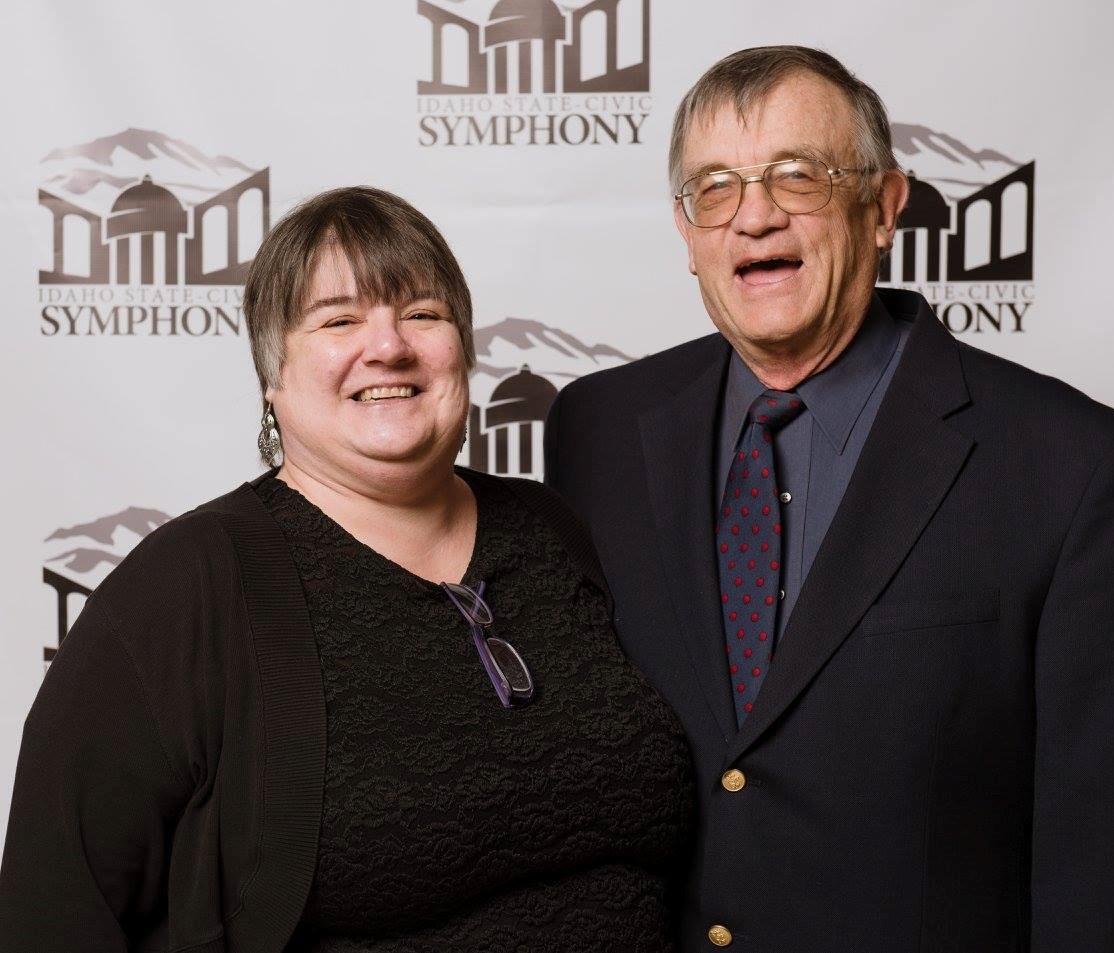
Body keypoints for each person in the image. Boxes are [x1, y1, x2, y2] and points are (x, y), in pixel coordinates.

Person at [545, 46, 1114, 952]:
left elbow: (1103, 858)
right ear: (686, 232)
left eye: (797, 175)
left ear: (882, 208)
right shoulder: (596, 430)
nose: (753, 216)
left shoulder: (1074, 464)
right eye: (714, 187)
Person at [0, 187, 695, 952]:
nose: (389, 347)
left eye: (422, 314)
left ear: (462, 347)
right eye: (337, 320)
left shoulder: (557, 529)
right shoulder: (187, 588)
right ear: (273, 376)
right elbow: (52, 906)